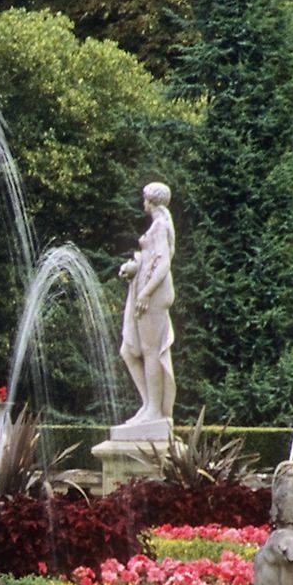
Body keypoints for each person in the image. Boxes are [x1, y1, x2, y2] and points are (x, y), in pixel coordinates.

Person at [119, 181, 176, 429]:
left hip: (151, 296)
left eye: (144, 198)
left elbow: (163, 263)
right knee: (128, 351)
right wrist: (133, 268)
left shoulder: (160, 226)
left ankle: (154, 410)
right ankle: (148, 405)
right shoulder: (158, 226)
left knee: (152, 351)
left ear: (150, 201)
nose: (143, 203)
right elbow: (151, 260)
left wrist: (145, 292)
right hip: (145, 293)